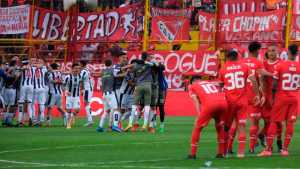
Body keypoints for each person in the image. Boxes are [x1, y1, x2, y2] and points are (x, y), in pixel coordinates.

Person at [258, 44, 300, 157]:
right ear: (297, 54)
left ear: (287, 52)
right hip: (295, 98)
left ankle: (268, 150)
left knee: (274, 122)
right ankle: (285, 150)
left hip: (281, 97)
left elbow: (274, 85)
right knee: (290, 123)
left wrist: (272, 97)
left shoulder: (280, 65)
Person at [219, 49, 260, 158]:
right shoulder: (245, 66)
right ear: (237, 57)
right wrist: (257, 95)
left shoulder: (223, 69)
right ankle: (241, 153)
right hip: (242, 101)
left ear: (227, 57)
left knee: (227, 127)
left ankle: (224, 151)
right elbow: (254, 80)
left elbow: (220, 85)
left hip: (229, 101)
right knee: (241, 126)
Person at [241, 41, 273, 153]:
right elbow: (262, 74)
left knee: (250, 122)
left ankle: (248, 146)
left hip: (244, 95)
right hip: (255, 95)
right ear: (256, 50)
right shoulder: (257, 62)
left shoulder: (242, 62)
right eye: (259, 50)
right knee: (262, 121)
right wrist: (273, 74)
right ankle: (252, 147)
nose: (260, 52)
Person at [187, 76, 228, 159]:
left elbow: (195, 100)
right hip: (223, 102)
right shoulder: (209, 82)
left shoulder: (192, 86)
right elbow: (222, 85)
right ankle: (221, 153)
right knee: (220, 127)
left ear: (192, 82)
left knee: (197, 127)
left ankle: (192, 154)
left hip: (210, 104)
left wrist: (199, 114)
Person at [259, 44, 283, 151]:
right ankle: (263, 135)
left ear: (277, 52)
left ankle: (279, 140)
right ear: (267, 53)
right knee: (267, 121)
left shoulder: (281, 63)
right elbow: (261, 76)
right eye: (269, 51)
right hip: (267, 96)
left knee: (278, 121)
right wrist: (263, 95)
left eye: (273, 50)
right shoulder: (263, 63)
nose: (271, 53)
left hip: (278, 96)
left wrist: (270, 74)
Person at [96, 59, 118, 132]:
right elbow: (118, 74)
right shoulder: (112, 70)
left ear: (105, 64)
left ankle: (100, 126)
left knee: (106, 111)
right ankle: (114, 125)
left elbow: (98, 75)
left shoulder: (103, 71)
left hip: (104, 94)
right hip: (110, 93)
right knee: (115, 109)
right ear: (111, 63)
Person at [46, 62, 66, 127]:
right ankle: (66, 118)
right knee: (59, 107)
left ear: (51, 67)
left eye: (49, 67)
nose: (49, 68)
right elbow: (63, 81)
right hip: (60, 92)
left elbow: (52, 81)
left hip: (52, 93)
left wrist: (57, 81)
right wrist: (60, 82)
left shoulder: (50, 73)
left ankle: (48, 123)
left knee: (50, 107)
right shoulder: (60, 73)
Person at [17, 58, 35, 127]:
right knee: (29, 103)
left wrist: (20, 69)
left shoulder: (23, 67)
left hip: (24, 86)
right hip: (31, 86)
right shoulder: (32, 68)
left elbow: (19, 73)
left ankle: (19, 121)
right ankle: (30, 118)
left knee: (21, 103)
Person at [64, 63, 82, 129]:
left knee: (77, 109)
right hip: (69, 97)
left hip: (76, 96)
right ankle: (68, 122)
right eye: (76, 68)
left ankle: (69, 123)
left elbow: (80, 84)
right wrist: (66, 91)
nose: (77, 70)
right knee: (68, 111)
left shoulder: (79, 77)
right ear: (72, 69)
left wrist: (82, 89)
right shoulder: (68, 77)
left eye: (78, 68)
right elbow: (63, 85)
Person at [80, 60, 94, 127]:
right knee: (87, 104)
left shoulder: (83, 71)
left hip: (87, 90)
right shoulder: (87, 70)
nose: (78, 66)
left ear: (82, 65)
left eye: (79, 64)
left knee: (86, 104)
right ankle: (90, 120)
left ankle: (90, 121)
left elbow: (80, 79)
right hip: (88, 89)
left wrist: (81, 89)